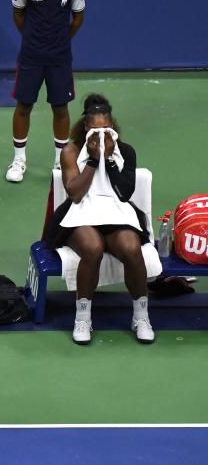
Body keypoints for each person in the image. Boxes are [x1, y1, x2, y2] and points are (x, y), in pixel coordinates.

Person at [45, 94, 153, 345]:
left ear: (112, 127)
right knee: (93, 249)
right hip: (81, 213)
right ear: (85, 128)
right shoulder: (71, 151)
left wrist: (111, 161)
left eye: (106, 129)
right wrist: (94, 161)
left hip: (116, 212)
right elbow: (75, 192)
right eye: (95, 130)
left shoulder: (125, 151)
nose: (101, 135)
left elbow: (125, 193)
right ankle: (83, 319)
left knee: (131, 247)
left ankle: (141, 316)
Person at [5, 0, 85, 184]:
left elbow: (77, 19)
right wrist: (32, 38)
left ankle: (61, 161)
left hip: (59, 58)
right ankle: (19, 159)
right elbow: (18, 16)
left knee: (60, 108)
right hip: (30, 56)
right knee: (23, 105)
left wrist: (59, 41)